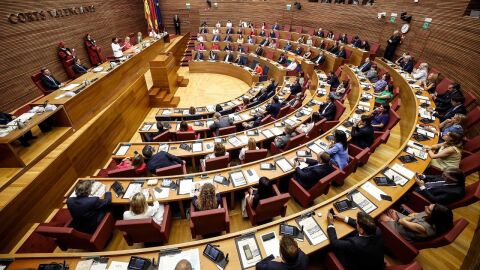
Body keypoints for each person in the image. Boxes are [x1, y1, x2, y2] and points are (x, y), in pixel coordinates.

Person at [379, 203, 453, 242]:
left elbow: (402, 221)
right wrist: (407, 219)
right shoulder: (430, 217)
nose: (425, 206)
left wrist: (395, 220)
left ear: (433, 216)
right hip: (405, 222)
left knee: (379, 214)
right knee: (389, 209)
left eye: (428, 208)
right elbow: (414, 214)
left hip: (399, 232)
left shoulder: (424, 228)